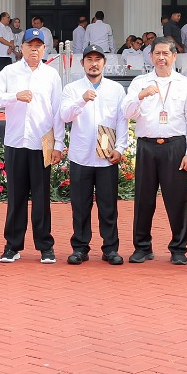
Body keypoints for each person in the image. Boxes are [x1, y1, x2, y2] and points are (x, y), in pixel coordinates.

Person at [0, 27, 65, 263]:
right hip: (16, 141)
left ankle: (45, 246)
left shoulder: (52, 75)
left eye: (38, 46)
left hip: (43, 142)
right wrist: (13, 96)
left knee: (42, 197)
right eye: (30, 45)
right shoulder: (9, 72)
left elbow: (58, 111)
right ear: (21, 48)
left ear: (44, 49)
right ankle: (12, 245)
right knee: (16, 197)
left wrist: (59, 143)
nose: (34, 50)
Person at [122, 36, 187, 264]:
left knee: (177, 200)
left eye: (166, 53)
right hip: (147, 146)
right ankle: (142, 246)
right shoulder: (140, 82)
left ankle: (178, 248)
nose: (161, 58)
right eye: (157, 53)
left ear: (174, 56)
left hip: (174, 146)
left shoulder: (185, 84)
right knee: (144, 199)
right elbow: (126, 113)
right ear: (150, 56)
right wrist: (140, 96)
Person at [59, 45, 129, 265]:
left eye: (98, 59)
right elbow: (64, 115)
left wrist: (120, 148)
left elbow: (122, 120)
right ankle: (80, 248)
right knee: (80, 206)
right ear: (82, 63)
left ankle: (110, 248)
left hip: (106, 156)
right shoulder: (72, 89)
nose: (94, 63)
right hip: (81, 156)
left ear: (104, 63)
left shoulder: (116, 89)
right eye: (89, 59)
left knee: (108, 206)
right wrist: (81, 100)